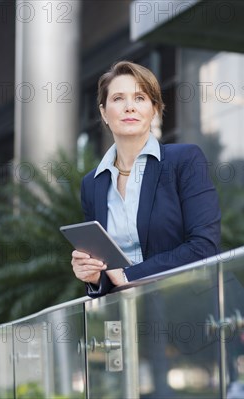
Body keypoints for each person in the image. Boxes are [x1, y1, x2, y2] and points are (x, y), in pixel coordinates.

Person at [71, 61, 221, 297]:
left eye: (140, 98)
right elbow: (109, 276)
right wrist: (93, 276)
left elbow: (204, 247)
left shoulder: (184, 161)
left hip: (191, 307)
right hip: (129, 317)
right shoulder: (93, 184)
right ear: (103, 112)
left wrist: (131, 275)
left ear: (154, 109)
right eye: (118, 98)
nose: (129, 107)